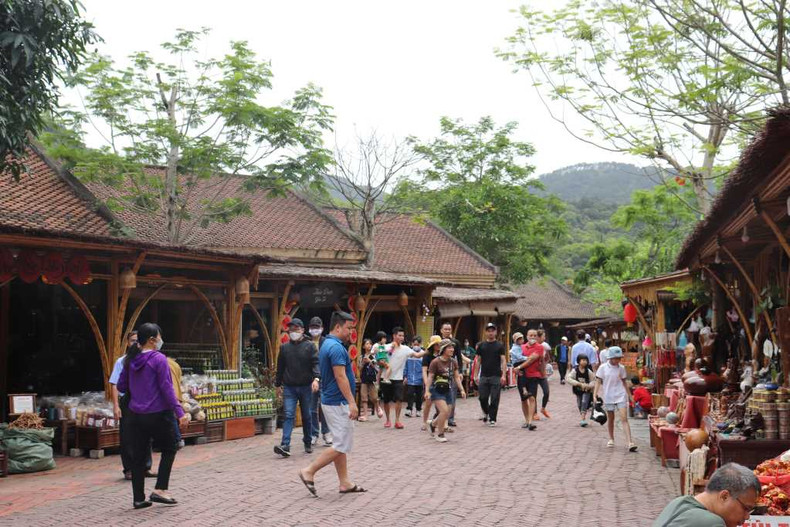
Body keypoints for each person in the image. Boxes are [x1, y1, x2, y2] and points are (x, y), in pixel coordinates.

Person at [117, 323, 188, 510]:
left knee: (138, 458)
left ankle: (138, 499)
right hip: (158, 414)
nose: (160, 340)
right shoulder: (159, 359)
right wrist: (180, 413)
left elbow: (121, 387)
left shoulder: (129, 360)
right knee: (171, 447)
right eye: (158, 337)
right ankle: (160, 489)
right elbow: (167, 388)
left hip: (135, 416)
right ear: (151, 340)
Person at [298, 311, 366, 497]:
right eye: (348, 328)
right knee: (341, 444)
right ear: (338, 327)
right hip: (338, 402)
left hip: (331, 400)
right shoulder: (335, 348)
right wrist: (352, 402)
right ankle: (309, 471)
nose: (350, 332)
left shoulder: (327, 343)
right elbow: (340, 376)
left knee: (339, 442)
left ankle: (344, 482)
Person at [653, 463, 759, 527]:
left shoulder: (679, 502)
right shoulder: (711, 522)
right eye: (746, 508)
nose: (747, 516)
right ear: (724, 496)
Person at [110, 331, 154, 480]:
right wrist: (116, 406)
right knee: (128, 435)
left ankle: (146, 467)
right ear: (128, 343)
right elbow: (115, 384)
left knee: (146, 433)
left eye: (138, 341)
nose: (135, 344)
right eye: (132, 341)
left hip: (145, 399)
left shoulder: (149, 359)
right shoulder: (122, 361)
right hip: (128, 400)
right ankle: (129, 469)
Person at [273, 318, 319, 457]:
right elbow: (280, 367)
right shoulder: (284, 348)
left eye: (296, 329)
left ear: (302, 330)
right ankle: (285, 444)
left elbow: (316, 363)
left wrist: (316, 379)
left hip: (306, 386)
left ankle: (307, 441)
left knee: (307, 415)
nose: (293, 332)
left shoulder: (310, 346)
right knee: (288, 415)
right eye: (291, 330)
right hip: (290, 387)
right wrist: (277, 384)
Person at [593, 346, 637, 452]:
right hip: (608, 395)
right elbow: (598, 381)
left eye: (619, 358)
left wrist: (630, 396)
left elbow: (624, 382)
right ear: (610, 358)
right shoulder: (603, 367)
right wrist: (595, 395)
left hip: (621, 395)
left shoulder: (621, 368)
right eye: (616, 358)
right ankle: (611, 438)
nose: (618, 360)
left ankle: (629, 442)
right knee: (611, 418)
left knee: (624, 418)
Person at [381, 327, 426, 429]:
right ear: (394, 336)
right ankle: (388, 420)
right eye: (399, 335)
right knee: (386, 400)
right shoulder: (386, 347)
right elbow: (378, 357)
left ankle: (397, 420)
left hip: (398, 378)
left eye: (403, 336)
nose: (401, 337)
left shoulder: (406, 349)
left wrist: (428, 350)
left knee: (399, 399)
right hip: (386, 377)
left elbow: (418, 355)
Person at [425, 339, 466, 442]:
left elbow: (456, 377)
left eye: (452, 347)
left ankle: (432, 424)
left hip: (448, 389)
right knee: (444, 410)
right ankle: (440, 434)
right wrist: (427, 390)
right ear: (443, 349)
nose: (452, 349)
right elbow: (430, 377)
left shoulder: (453, 362)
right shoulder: (435, 362)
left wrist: (462, 390)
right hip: (436, 389)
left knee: (448, 412)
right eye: (449, 347)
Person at [439, 322, 470, 427]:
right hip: (439, 372)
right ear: (441, 330)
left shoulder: (455, 342)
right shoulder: (437, 341)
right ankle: (440, 416)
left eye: (449, 329)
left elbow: (459, 358)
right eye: (445, 329)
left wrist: (460, 371)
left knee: (452, 396)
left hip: (452, 372)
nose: (447, 331)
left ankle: (450, 418)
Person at [476, 322, 506, 427]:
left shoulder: (499, 345)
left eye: (492, 331)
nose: (490, 333)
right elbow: (478, 361)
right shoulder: (481, 345)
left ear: (496, 332)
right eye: (488, 331)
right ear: (485, 332)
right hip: (484, 375)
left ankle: (493, 418)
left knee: (494, 398)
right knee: (482, 398)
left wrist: (504, 375)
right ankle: (487, 412)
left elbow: (503, 360)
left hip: (496, 375)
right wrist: (476, 375)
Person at [307, 317, 332, 447]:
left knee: (325, 407)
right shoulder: (306, 342)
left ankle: (327, 433)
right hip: (310, 380)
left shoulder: (326, 342)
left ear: (322, 328)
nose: (314, 330)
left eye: (317, 327)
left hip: (325, 379)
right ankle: (313, 434)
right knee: (312, 408)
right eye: (312, 327)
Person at [513, 329, 543, 431]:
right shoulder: (521, 347)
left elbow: (531, 359)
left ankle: (530, 422)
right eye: (531, 335)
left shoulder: (539, 347)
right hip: (522, 376)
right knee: (523, 399)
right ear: (527, 336)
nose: (533, 337)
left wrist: (518, 367)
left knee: (532, 398)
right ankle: (526, 420)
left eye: (535, 335)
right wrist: (515, 369)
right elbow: (514, 359)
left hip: (533, 375)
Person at [566, 353, 595, 426]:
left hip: (586, 390)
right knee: (579, 404)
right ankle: (583, 416)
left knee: (584, 401)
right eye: (583, 360)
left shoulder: (588, 371)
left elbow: (593, 380)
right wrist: (578, 384)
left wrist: (589, 386)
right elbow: (568, 378)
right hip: (578, 391)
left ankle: (583, 419)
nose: (584, 362)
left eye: (586, 360)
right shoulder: (575, 370)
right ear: (578, 361)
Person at [420, 335, 442, 431]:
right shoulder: (427, 355)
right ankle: (424, 422)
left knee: (441, 404)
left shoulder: (442, 355)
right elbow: (424, 370)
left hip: (441, 381)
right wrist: (426, 383)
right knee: (428, 403)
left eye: (439, 344)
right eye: (436, 344)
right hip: (430, 380)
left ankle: (438, 423)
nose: (438, 346)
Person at [359, 338, 382, 421]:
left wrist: (370, 362)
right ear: (363, 346)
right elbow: (360, 369)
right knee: (364, 397)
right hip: (364, 379)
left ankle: (378, 407)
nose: (369, 345)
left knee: (374, 397)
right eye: (367, 344)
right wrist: (363, 363)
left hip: (372, 379)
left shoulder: (374, 356)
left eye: (370, 344)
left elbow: (377, 369)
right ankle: (365, 415)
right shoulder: (361, 357)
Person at [533, 329, 552, 420]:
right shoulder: (533, 346)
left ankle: (543, 408)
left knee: (546, 392)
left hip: (542, 373)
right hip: (533, 372)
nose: (544, 338)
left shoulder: (544, 346)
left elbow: (548, 357)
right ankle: (534, 413)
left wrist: (545, 362)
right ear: (538, 337)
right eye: (543, 336)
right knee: (534, 394)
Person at [404, 336, 424, 418]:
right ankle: (409, 409)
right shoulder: (409, 353)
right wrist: (405, 376)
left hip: (420, 379)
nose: (416, 345)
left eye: (417, 344)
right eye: (414, 344)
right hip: (410, 378)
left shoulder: (423, 354)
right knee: (410, 394)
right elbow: (405, 366)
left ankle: (418, 409)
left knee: (419, 395)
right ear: (412, 344)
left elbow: (425, 367)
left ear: (420, 344)